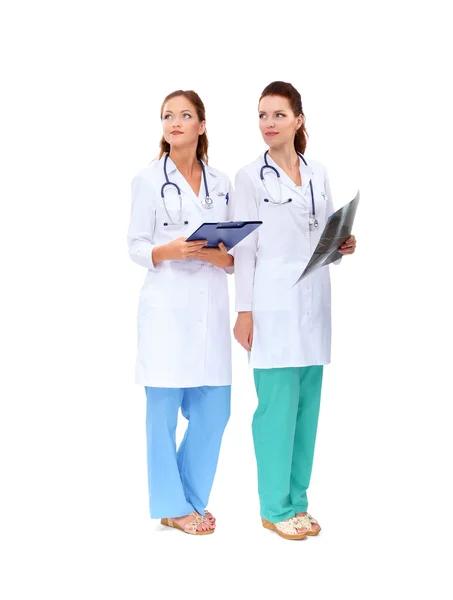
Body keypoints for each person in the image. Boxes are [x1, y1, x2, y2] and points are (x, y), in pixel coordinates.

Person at [232, 81, 357, 541]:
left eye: (278, 115)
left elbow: (318, 235)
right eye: (263, 115)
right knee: (276, 410)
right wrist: (244, 311)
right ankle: (275, 507)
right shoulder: (249, 177)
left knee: (307, 409)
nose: (269, 123)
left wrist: (342, 246)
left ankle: (299, 501)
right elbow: (244, 249)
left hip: (315, 302)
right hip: (272, 304)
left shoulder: (318, 171)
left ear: (298, 120)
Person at [127, 90, 234, 535]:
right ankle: (172, 505)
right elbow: (134, 245)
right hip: (167, 312)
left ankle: (188, 497)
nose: (174, 122)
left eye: (185, 115)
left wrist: (219, 257)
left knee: (216, 411)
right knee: (162, 416)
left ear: (201, 126)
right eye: (167, 116)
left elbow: (234, 253)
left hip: (208, 309)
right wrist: (166, 251)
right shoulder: (148, 180)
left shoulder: (222, 182)